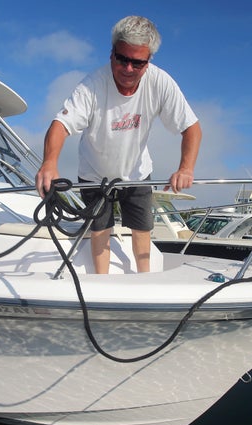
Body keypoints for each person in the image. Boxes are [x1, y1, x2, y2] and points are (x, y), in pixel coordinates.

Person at [35, 15, 202, 274]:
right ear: (111, 53)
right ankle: (102, 283)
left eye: (137, 63)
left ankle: (144, 280)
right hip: (93, 172)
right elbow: (60, 125)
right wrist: (49, 163)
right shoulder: (91, 85)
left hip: (136, 173)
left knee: (142, 229)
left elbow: (191, 128)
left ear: (148, 62)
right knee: (100, 230)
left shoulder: (160, 82)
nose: (128, 69)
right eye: (122, 59)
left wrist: (186, 168)